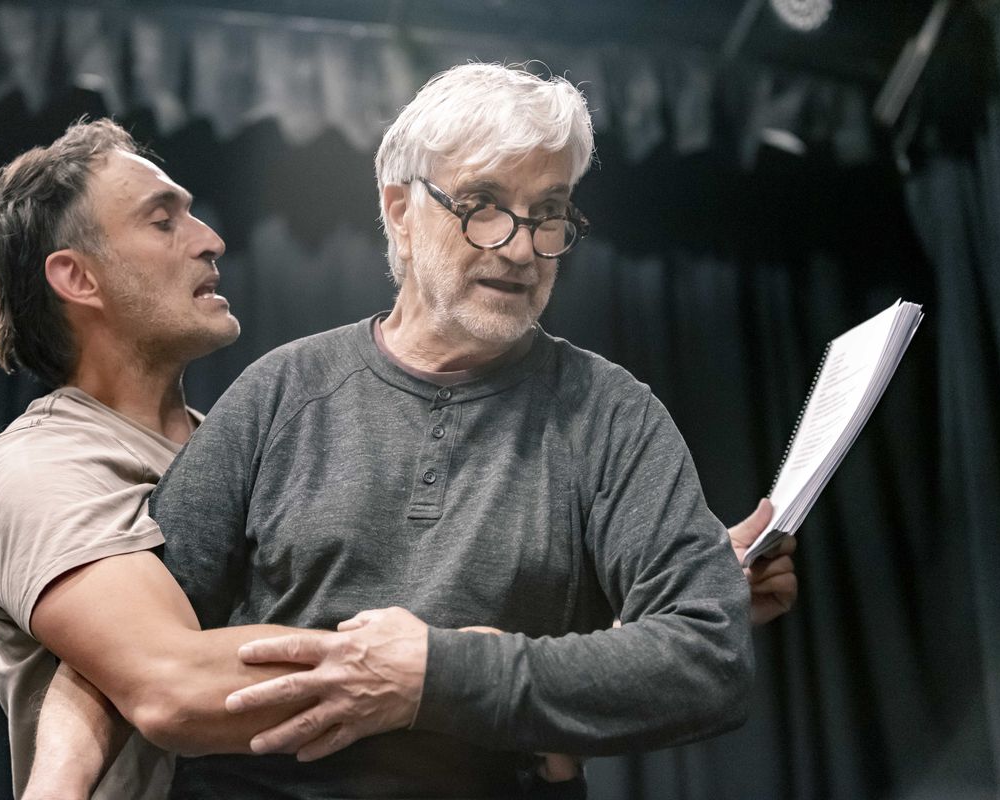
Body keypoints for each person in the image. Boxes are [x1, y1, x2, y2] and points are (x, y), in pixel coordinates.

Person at [137, 62, 774, 798]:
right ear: (401, 212)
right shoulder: (281, 391)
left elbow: (710, 659)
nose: (521, 248)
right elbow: (142, 646)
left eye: (548, 213)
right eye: (483, 205)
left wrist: (440, 677)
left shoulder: (611, 414)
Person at [0, 119, 337, 798]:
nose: (211, 240)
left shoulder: (243, 454)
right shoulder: (43, 466)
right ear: (78, 277)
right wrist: (443, 674)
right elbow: (172, 684)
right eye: (163, 222)